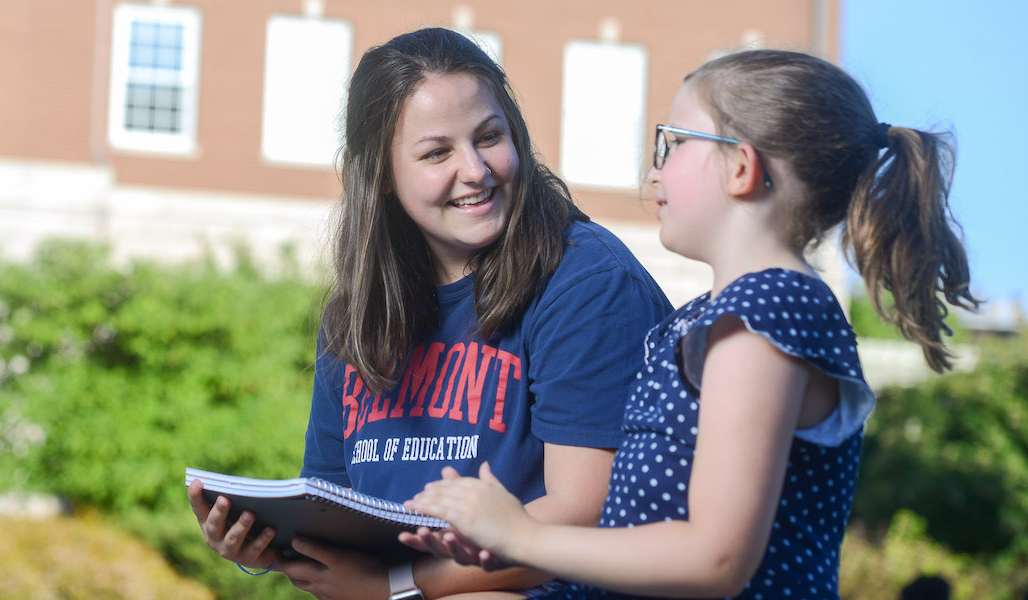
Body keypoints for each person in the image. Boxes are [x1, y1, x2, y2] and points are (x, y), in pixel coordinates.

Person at [400, 48, 979, 600]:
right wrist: (492, 543)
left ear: (742, 167)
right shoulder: (725, 315)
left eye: (673, 145)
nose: (653, 173)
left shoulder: (764, 318)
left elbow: (716, 558)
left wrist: (522, 536)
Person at [187, 27, 671, 599]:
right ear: (382, 176)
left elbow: (585, 513)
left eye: (489, 137)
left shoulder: (587, 283)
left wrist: (396, 587)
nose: (475, 169)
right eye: (437, 152)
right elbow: (332, 510)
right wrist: (269, 544)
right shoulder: (355, 315)